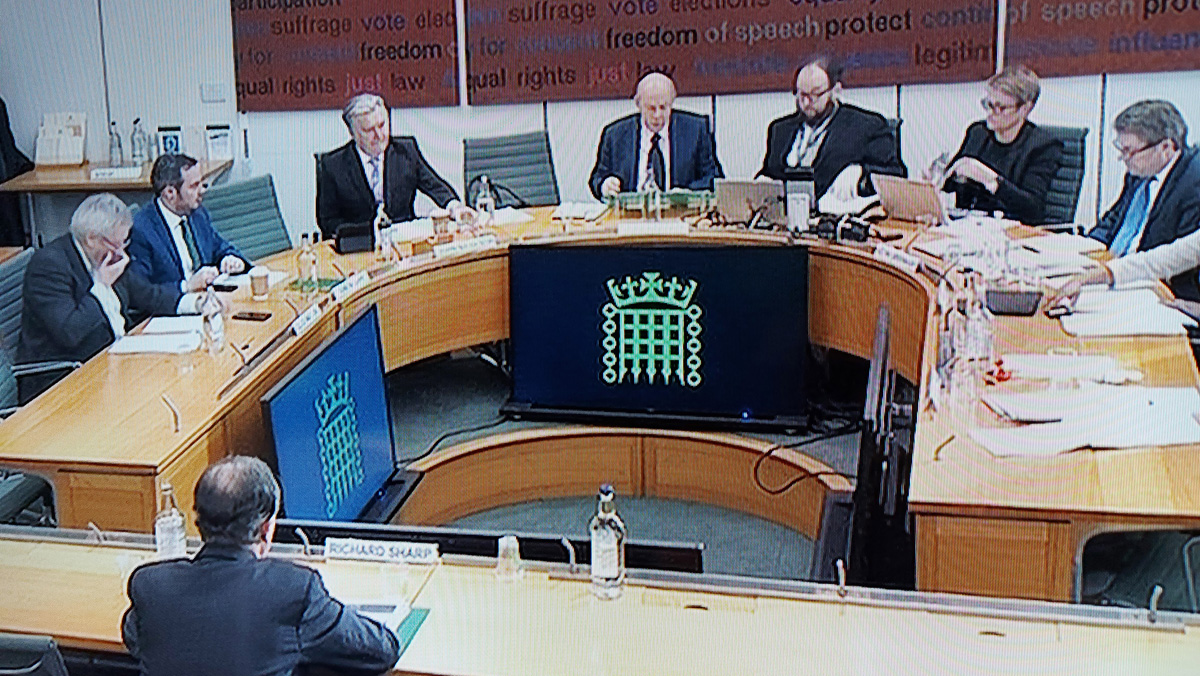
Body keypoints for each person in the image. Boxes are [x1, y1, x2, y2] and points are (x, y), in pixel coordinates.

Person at [122, 455, 400, 676]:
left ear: (199, 524)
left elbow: (136, 639)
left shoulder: (151, 585)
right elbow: (380, 651)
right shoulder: (293, 590)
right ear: (267, 528)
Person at [16, 193, 199, 401]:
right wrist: (102, 286)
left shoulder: (107, 254)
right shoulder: (49, 266)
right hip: (62, 380)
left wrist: (194, 303)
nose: (122, 252)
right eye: (116, 243)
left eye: (125, 241)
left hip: (113, 361)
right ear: (91, 239)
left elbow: (147, 294)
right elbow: (70, 332)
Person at [1084, 100, 1200, 300]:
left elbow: (1179, 261)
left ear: (1166, 147)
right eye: (1121, 149)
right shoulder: (1139, 173)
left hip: (1152, 287)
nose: (1123, 158)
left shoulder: (1194, 183)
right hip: (1116, 272)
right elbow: (1112, 220)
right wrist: (1086, 251)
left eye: (1130, 151)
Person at [317, 93, 469, 239]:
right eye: (369, 130)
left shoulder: (406, 151)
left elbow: (435, 186)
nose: (379, 135)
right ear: (352, 132)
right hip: (359, 246)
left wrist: (456, 208)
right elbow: (327, 221)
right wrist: (365, 233)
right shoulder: (333, 165)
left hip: (404, 242)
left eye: (382, 125)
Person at [758, 56, 906, 201]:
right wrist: (761, 185)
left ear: (835, 90)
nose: (806, 103)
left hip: (836, 212)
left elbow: (896, 174)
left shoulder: (867, 127)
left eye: (815, 94)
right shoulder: (780, 130)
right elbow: (770, 173)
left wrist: (863, 172)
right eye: (801, 94)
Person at [939, 65, 1063, 225]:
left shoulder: (1042, 145)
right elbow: (951, 186)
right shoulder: (978, 132)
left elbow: (1033, 208)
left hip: (1013, 232)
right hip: (970, 227)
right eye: (988, 104)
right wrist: (939, 179)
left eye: (1000, 108)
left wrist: (992, 181)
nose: (990, 113)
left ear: (1025, 109)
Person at [588, 72, 724, 199]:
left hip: (680, 213)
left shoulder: (696, 130)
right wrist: (605, 186)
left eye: (663, 107)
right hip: (631, 213)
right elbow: (596, 179)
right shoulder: (614, 135)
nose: (657, 115)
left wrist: (684, 194)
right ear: (638, 105)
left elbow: (714, 178)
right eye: (651, 108)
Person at [128, 154, 247, 291]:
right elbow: (142, 291)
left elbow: (219, 247)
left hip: (209, 296)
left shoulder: (197, 213)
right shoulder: (142, 230)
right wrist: (187, 287)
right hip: (177, 302)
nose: (202, 191)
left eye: (201, 183)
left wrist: (229, 259)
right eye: (194, 186)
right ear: (170, 193)